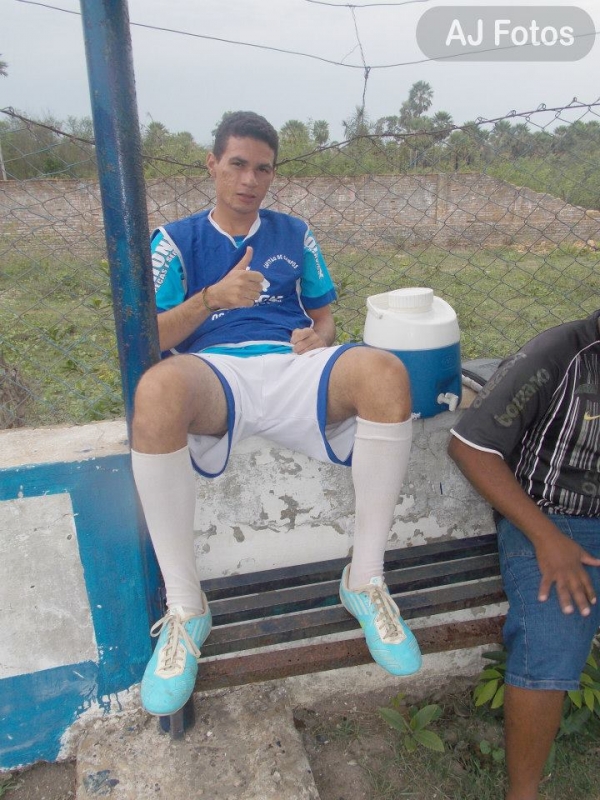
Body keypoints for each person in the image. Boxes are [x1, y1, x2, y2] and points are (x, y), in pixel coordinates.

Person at [130, 111, 422, 717]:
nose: (249, 179)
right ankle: (188, 609)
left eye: (263, 168)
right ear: (211, 164)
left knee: (387, 372)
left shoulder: (294, 232)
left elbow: (322, 314)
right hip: (217, 372)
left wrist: (320, 335)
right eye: (237, 164)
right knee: (156, 390)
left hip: (293, 365)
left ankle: (364, 580)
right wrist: (211, 299)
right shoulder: (176, 240)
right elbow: (149, 336)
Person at [448, 312, 600, 800]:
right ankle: (524, 793)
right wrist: (547, 537)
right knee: (557, 621)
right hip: (552, 517)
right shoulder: (559, 353)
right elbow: (470, 447)